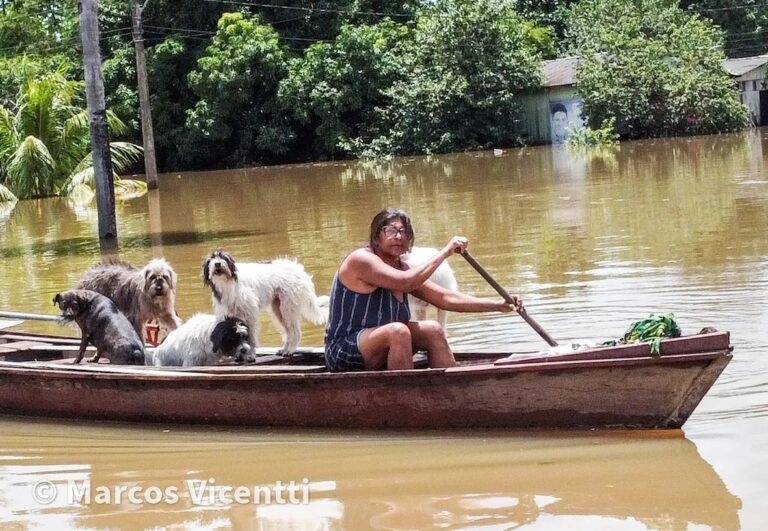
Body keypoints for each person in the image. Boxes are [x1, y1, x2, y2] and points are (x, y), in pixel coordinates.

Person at [324, 208, 524, 372]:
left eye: (404, 232)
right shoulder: (362, 260)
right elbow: (405, 283)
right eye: (391, 231)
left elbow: (445, 298)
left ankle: (451, 392)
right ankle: (408, 400)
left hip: (382, 348)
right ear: (377, 238)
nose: (398, 237)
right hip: (344, 351)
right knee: (398, 331)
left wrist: (498, 305)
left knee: (433, 329)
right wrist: (445, 252)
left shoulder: (401, 268)